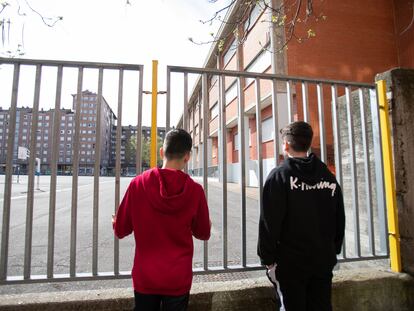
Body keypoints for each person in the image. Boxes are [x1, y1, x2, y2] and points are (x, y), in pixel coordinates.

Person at [113, 128, 211, 311]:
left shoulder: (138, 184)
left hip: (146, 275)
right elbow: (203, 233)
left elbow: (121, 229)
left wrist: (115, 222)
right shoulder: (195, 191)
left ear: (161, 151)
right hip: (177, 276)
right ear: (187, 156)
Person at [257, 121, 345, 311]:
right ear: (309, 144)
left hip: (291, 264)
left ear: (286, 145)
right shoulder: (328, 176)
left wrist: (267, 258)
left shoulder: (279, 177)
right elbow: (339, 217)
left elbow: (269, 223)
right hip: (323, 259)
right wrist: (333, 249)